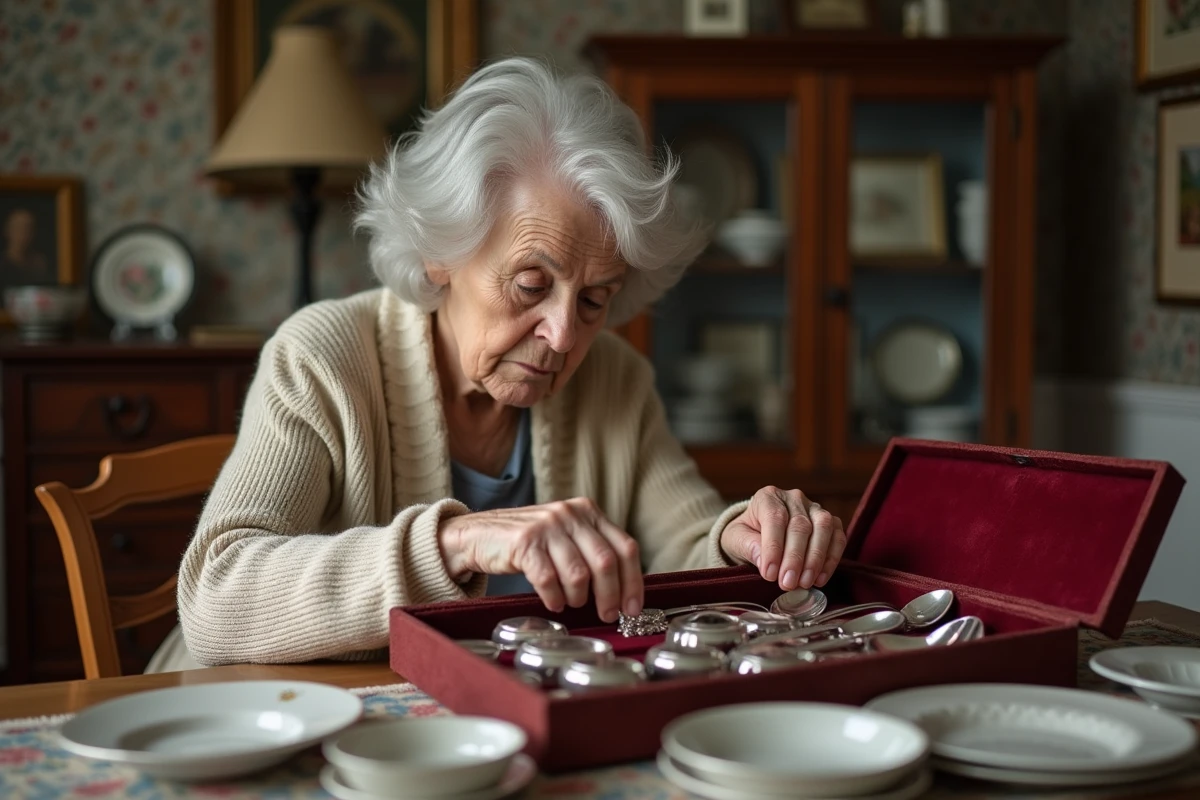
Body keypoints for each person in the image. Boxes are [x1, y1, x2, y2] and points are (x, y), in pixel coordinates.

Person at [164, 58, 846, 670]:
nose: (561, 334)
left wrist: (743, 539)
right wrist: (456, 543)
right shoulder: (323, 356)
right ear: (440, 253)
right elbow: (217, 596)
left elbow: (685, 542)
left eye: (596, 299)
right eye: (530, 285)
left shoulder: (613, 375)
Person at [0, 208, 51, 284]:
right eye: (18, 227)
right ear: (7, 230)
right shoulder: (2, 264)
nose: (24, 233)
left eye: (28, 228)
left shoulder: (39, 264)